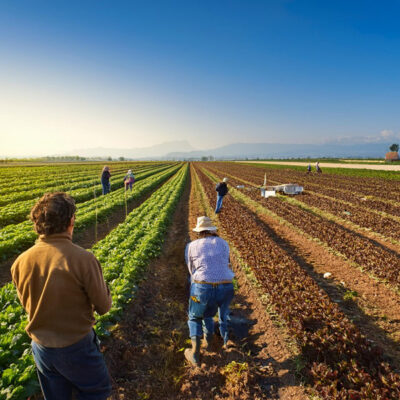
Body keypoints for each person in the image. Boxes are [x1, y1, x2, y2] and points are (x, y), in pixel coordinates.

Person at [11, 192, 112, 400]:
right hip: (76, 346)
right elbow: (104, 306)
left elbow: (26, 303)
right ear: (70, 221)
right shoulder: (83, 259)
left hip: (41, 349)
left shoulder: (20, 261)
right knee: (96, 391)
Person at [184, 216, 235, 366]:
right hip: (226, 287)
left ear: (199, 232)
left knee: (194, 316)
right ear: (212, 231)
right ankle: (213, 341)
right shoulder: (223, 243)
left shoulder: (192, 246)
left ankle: (194, 352)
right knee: (216, 313)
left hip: (203, 287)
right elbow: (227, 263)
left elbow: (191, 270)